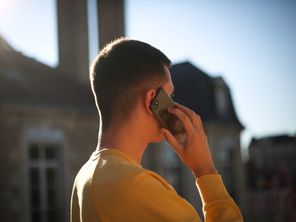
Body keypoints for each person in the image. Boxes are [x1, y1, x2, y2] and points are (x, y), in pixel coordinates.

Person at [70, 38, 243, 222]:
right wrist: (204, 169)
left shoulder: (83, 179)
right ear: (152, 99)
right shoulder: (137, 187)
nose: (174, 105)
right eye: (169, 95)